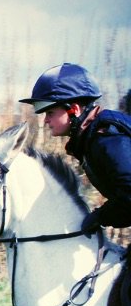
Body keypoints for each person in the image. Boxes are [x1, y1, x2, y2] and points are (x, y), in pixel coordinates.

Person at [20, 62, 131, 234]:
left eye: (50, 113)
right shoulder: (91, 139)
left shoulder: (106, 138)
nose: (46, 120)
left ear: (74, 109)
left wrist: (101, 216)